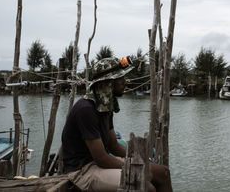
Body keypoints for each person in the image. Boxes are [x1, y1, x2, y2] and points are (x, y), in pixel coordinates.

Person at [61, 56, 173, 192]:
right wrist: (134, 167)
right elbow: (101, 158)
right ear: (108, 83)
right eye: (120, 78)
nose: (125, 82)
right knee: (144, 185)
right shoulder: (86, 110)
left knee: (163, 173)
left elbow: (113, 145)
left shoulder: (104, 108)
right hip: (83, 170)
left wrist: (140, 161)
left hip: (99, 164)